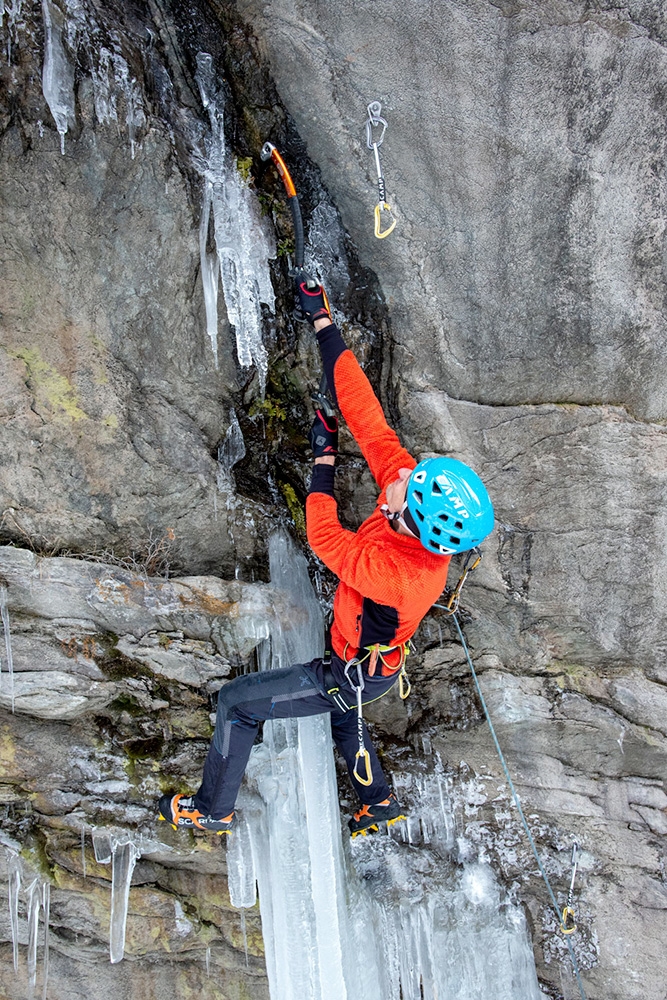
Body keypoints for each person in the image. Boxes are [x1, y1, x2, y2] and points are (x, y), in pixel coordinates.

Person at [158, 282, 494, 837]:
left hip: (346, 671)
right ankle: (378, 801)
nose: (399, 476)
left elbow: (323, 538)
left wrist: (323, 459)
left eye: (405, 488)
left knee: (238, 705)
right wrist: (323, 323)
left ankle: (212, 808)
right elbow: (367, 416)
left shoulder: (402, 574)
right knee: (348, 718)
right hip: (374, 666)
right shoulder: (411, 506)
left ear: (416, 522)